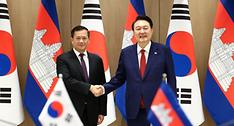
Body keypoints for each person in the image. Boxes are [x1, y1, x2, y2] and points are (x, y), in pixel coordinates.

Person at [91, 16, 176, 126]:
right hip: (134, 109)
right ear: (133, 32)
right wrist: (103, 88)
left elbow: (171, 80)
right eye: (138, 28)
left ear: (151, 30)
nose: (142, 31)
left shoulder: (163, 51)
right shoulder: (126, 53)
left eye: (145, 28)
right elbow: (119, 78)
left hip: (158, 108)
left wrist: (173, 104)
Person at [56, 25, 107, 126]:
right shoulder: (63, 59)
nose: (81, 41)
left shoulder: (97, 60)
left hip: (92, 111)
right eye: (78, 38)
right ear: (72, 40)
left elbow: (102, 85)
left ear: (89, 40)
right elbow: (66, 80)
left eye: (84, 38)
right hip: (71, 110)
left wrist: (102, 111)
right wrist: (89, 87)